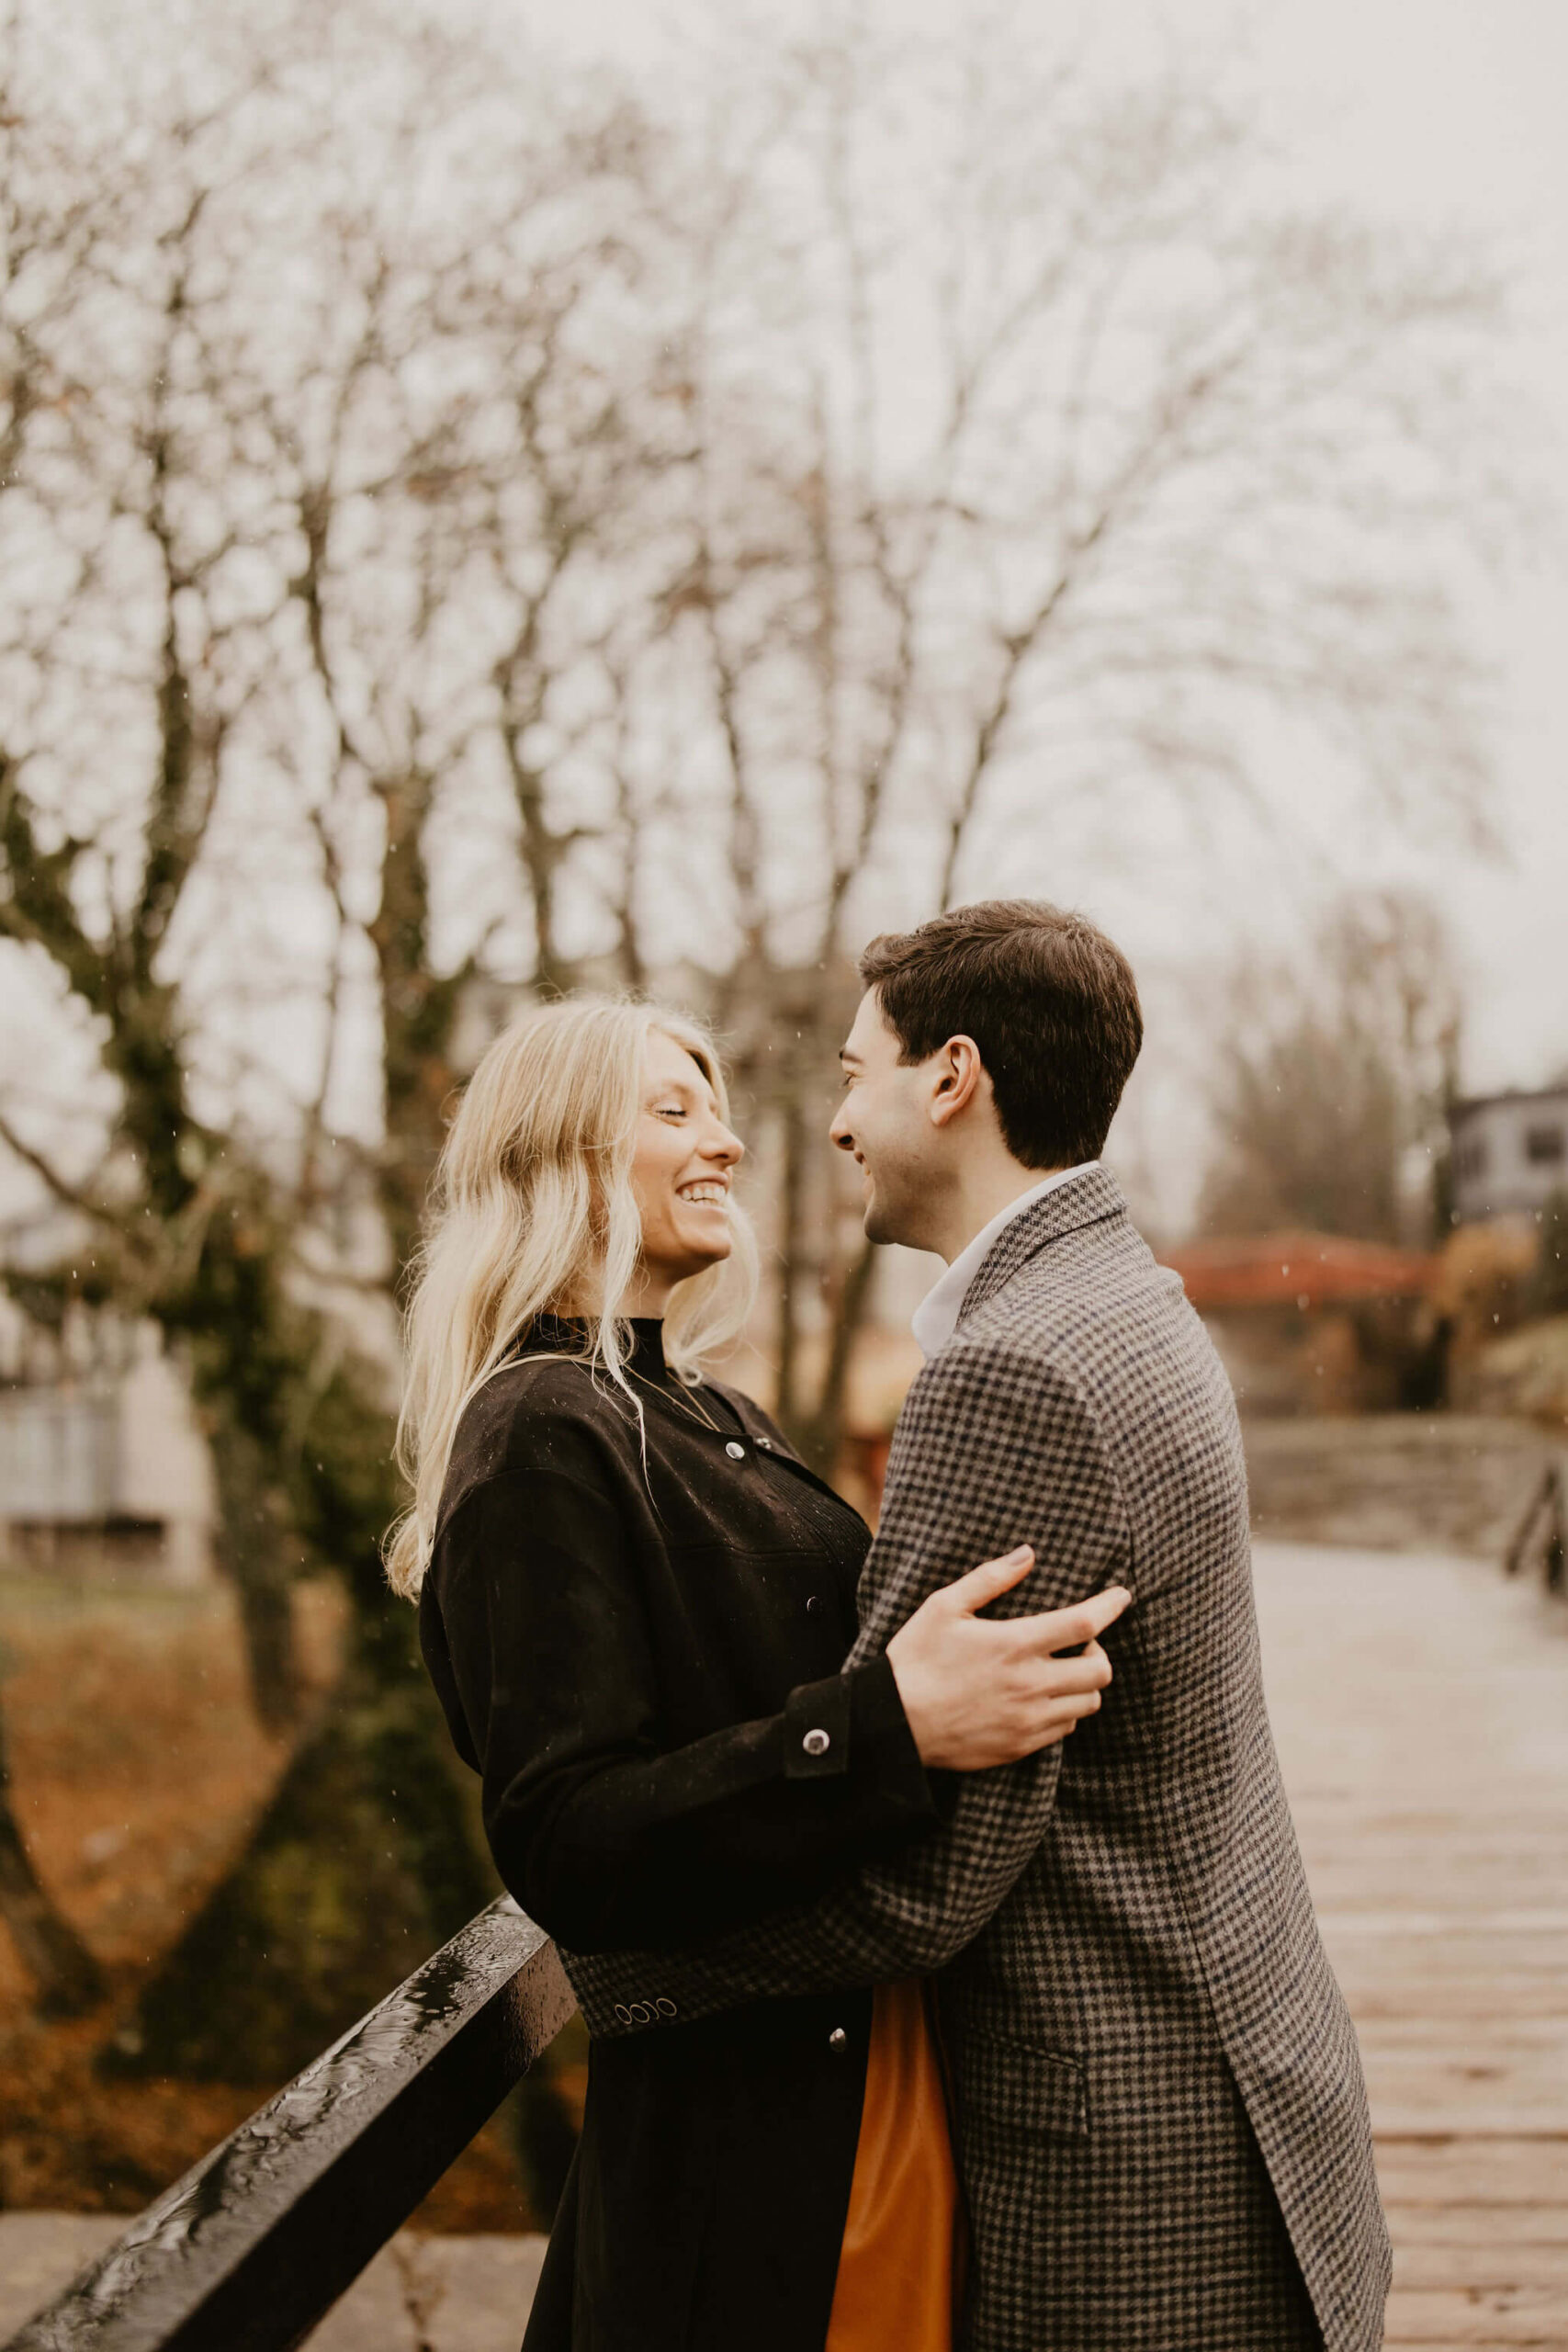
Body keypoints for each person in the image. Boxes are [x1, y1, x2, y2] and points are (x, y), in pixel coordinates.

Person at [574, 902, 1393, 2352]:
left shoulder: (1012, 1372)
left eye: (852, 1073)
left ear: (950, 1078)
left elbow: (929, 1881)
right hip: (1244, 2085)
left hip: (1131, 2162)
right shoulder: (1128, 1298)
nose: (834, 1125)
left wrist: (619, 1963)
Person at [389, 993, 1131, 2352]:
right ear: (558, 1152)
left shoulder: (703, 1404)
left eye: (718, 1107)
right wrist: (887, 1726)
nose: (723, 1140)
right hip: (744, 2153)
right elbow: (567, 1838)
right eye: (673, 1111)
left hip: (851, 2073)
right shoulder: (542, 1432)